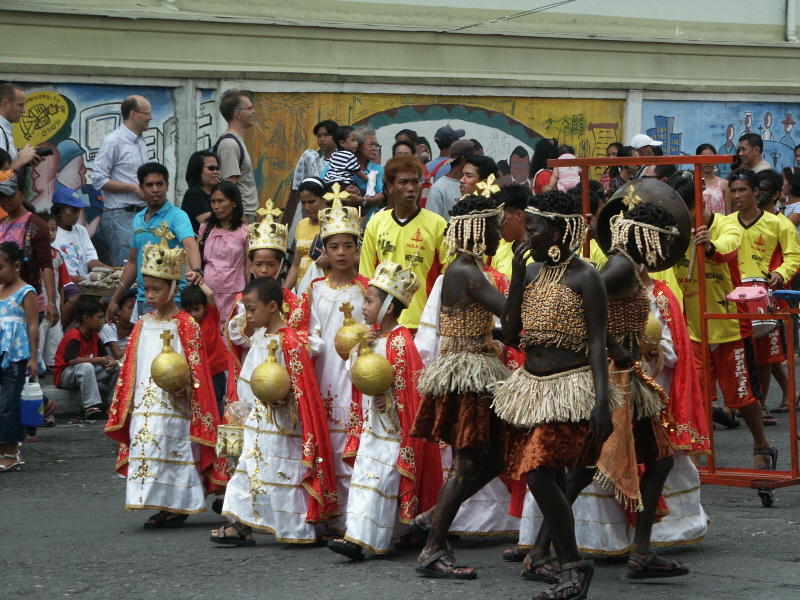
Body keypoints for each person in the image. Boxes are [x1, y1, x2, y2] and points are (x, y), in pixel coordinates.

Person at [491, 190, 613, 596]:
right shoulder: (529, 273)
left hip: (570, 388)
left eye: (534, 229)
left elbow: (598, 344)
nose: (526, 237)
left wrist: (601, 403)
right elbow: (509, 334)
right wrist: (513, 273)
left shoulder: (586, 276)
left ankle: (571, 565)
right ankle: (567, 567)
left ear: (557, 231)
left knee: (540, 472)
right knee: (550, 477)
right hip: (531, 387)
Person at [410, 195, 509, 580]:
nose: (500, 235)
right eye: (495, 228)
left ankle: (433, 517)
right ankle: (433, 547)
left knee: (496, 459)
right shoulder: (465, 270)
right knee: (467, 463)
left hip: (480, 369)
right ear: (478, 230)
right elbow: (510, 314)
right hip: (468, 375)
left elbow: (496, 323)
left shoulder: (468, 269)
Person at [105, 224, 224, 528]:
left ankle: (178, 504)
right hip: (146, 402)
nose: (151, 295)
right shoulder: (142, 323)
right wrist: (128, 401)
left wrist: (188, 388)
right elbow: (133, 366)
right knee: (147, 444)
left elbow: (197, 368)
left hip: (176, 401)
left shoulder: (186, 325)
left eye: (158, 289)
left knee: (173, 445)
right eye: (148, 288)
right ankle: (158, 500)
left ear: (173, 288)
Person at [211, 276, 339, 546]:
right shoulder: (259, 336)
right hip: (258, 421)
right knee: (248, 468)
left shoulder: (291, 341)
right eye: (246, 308)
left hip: (284, 426)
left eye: (252, 309)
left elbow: (303, 388)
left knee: (283, 472)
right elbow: (249, 379)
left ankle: (297, 529)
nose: (248, 315)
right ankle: (240, 525)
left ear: (272, 307)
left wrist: (286, 398)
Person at [327, 260, 441, 560]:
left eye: (369, 300)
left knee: (378, 483)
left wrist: (389, 401)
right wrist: (360, 350)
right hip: (372, 428)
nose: (363, 306)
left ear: (388, 307)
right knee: (366, 480)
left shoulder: (402, 341)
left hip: (393, 434)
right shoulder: (373, 337)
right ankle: (359, 535)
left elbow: (410, 390)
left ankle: (363, 540)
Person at [671, 172, 776, 468]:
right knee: (698, 398)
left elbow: (727, 251)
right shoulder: (674, 231)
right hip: (693, 330)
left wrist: (709, 245)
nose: (683, 219)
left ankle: (761, 444)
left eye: (687, 212)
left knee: (741, 399)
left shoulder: (727, 226)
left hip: (729, 325)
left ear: (700, 203)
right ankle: (698, 456)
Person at [287, 196, 368, 536]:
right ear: (325, 249)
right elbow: (301, 332)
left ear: (357, 247)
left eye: (347, 245)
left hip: (359, 380)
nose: (340, 253)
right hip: (323, 378)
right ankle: (328, 514)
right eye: (333, 246)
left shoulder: (367, 289)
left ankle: (355, 519)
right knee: (327, 447)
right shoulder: (314, 289)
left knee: (355, 449)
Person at [727, 168, 800, 419]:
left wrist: (780, 273)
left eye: (742, 190)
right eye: (733, 190)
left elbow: (794, 256)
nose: (737, 195)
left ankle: (761, 405)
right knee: (735, 351)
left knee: (765, 358)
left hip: (765, 296)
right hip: (732, 296)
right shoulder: (725, 223)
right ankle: (735, 404)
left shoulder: (779, 224)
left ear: (755, 192)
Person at [359, 155, 448, 332]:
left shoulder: (438, 224)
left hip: (424, 325)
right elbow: (366, 276)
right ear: (390, 187)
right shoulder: (377, 222)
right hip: (384, 325)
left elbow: (447, 276)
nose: (411, 188)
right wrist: (371, 325)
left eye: (415, 182)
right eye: (403, 182)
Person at [105, 163, 202, 324]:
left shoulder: (178, 216)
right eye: (149, 185)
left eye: (160, 184)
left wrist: (197, 270)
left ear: (167, 186)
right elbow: (132, 263)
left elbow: (190, 245)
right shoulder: (138, 219)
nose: (155, 189)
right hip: (144, 300)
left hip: (173, 299)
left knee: (171, 348)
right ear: (141, 188)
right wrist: (116, 299)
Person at [225, 204, 299, 401]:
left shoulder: (292, 301)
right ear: (250, 265)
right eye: (258, 264)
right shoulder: (241, 301)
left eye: (271, 264)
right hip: (251, 363)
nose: (264, 270)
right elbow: (239, 340)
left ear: (282, 266)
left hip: (281, 370)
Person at [92, 95, 151, 267]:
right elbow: (98, 179)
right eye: (147, 113)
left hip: (142, 215)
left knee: (144, 269)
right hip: (120, 216)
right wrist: (132, 188)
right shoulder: (113, 141)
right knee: (126, 272)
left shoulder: (140, 140)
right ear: (133, 114)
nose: (151, 117)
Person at [0, 170, 58, 327]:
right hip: (3, 304)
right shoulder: (1, 224)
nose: (5, 200)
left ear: (23, 193)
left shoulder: (36, 224)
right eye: (1, 196)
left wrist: (51, 302)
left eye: (10, 195)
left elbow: (46, 265)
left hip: (28, 303)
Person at [0, 242, 40, 472]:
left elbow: (33, 327)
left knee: (9, 404)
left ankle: (12, 451)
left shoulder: (26, 292)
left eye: (1, 267)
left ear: (16, 266)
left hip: (16, 356)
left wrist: (34, 358)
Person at [53, 297, 119, 420]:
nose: (103, 321)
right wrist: (98, 360)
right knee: (86, 366)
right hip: (65, 376)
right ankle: (91, 406)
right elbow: (72, 361)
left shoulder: (95, 336)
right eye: (99, 317)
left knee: (119, 366)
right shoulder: (74, 335)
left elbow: (105, 355)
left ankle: (112, 403)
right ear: (86, 319)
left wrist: (112, 362)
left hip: (85, 371)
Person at [197, 181, 249, 325]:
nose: (216, 206)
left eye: (221, 201)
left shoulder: (245, 232)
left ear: (234, 202)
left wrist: (249, 295)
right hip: (207, 292)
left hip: (235, 294)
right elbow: (195, 258)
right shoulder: (205, 228)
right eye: (213, 201)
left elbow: (247, 267)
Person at [181, 282, 230, 418]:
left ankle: (218, 430)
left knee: (217, 402)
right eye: (189, 311)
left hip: (215, 371)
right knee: (200, 404)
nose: (193, 314)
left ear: (205, 307)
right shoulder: (185, 325)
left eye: (197, 309)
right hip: (198, 373)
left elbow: (210, 294)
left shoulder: (211, 317)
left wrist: (199, 280)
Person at [51, 188, 110, 283]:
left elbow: (92, 261)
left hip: (82, 282)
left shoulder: (81, 230)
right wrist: (70, 278)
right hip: (61, 283)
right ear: (59, 211)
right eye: (73, 211)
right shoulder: (50, 233)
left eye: (78, 211)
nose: (77, 215)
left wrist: (112, 271)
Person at [216, 90, 258, 222]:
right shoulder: (230, 144)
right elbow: (229, 189)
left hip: (247, 214)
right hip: (242, 216)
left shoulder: (236, 141)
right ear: (238, 114)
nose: (253, 111)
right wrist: (242, 223)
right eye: (249, 108)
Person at [284, 177, 328, 292]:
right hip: (302, 293)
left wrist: (331, 261)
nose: (307, 207)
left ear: (324, 199)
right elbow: (295, 266)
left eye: (311, 202)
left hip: (325, 293)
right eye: (303, 203)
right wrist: (284, 293)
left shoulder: (335, 224)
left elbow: (357, 258)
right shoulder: (301, 225)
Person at [40, 213, 68, 370]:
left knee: (55, 335)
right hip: (40, 304)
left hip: (55, 304)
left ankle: (52, 363)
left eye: (53, 229)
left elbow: (61, 283)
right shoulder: (32, 255)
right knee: (40, 333)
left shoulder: (57, 255)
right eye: (46, 229)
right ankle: (39, 365)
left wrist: (61, 302)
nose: (50, 233)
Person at [425, 139, 475, 222]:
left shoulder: (475, 184)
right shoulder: (438, 188)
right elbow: (431, 223)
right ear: (463, 159)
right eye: (473, 159)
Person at [491, 183, 533, 279]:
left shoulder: (538, 253)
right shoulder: (500, 253)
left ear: (518, 215)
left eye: (501, 218)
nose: (498, 225)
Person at [0, 83, 45, 171]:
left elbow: (7, 173)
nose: (24, 110)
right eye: (20, 105)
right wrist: (22, 159)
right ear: (5, 104)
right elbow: (1, 178)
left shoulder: (4, 129)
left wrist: (25, 162)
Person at [181, 150, 221, 234]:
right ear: (197, 170)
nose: (216, 172)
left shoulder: (217, 192)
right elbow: (211, 225)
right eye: (211, 168)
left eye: (217, 168)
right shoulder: (193, 194)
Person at [101, 288, 136, 360]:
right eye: (130, 307)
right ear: (118, 311)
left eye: (135, 307)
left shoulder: (137, 327)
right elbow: (118, 354)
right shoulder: (109, 328)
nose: (134, 311)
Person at [696, 143, 731, 214]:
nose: (708, 162)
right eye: (704, 158)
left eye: (711, 158)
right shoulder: (692, 183)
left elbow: (728, 214)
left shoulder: (724, 184)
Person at [781, 166, 800, 236]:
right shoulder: (782, 203)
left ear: (791, 184)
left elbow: (783, 228)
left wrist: (782, 206)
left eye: (782, 180)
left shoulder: (799, 206)